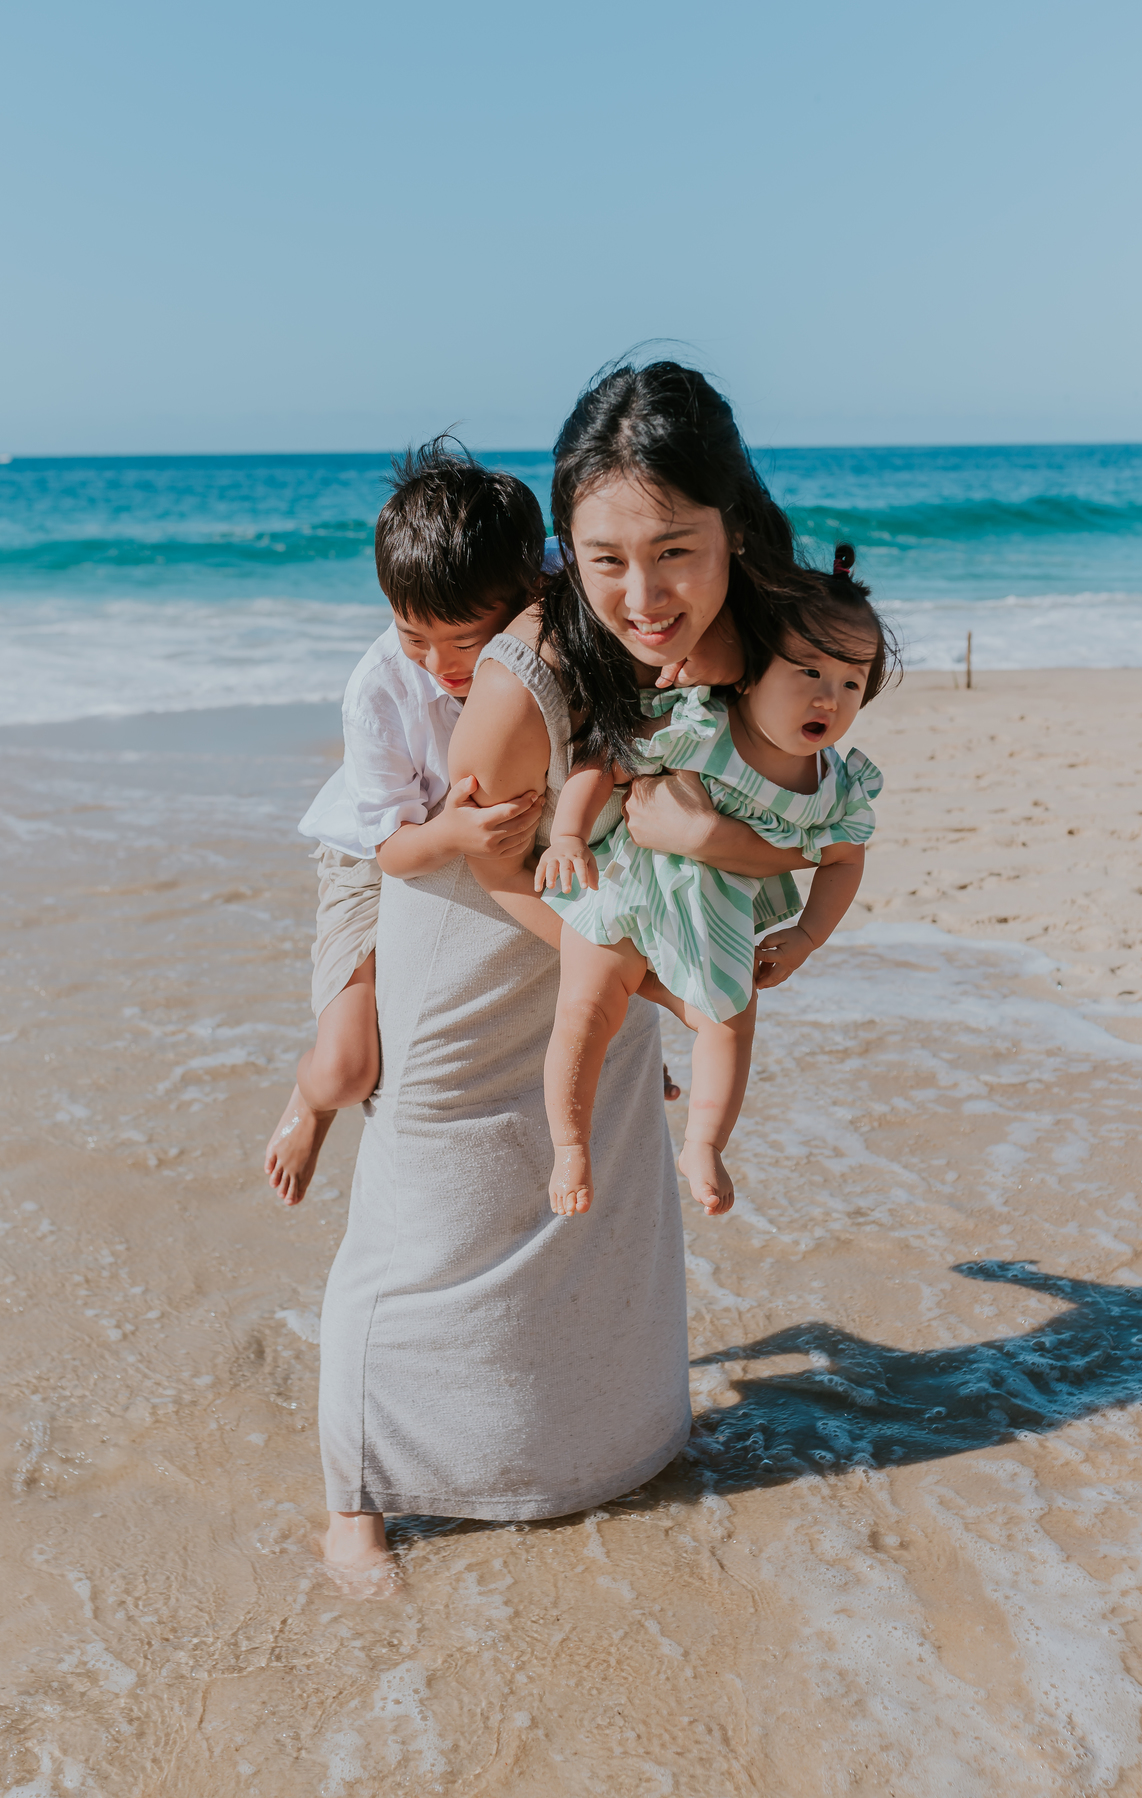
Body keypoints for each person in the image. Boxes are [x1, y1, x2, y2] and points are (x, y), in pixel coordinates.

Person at [315, 361, 833, 1577]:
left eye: (675, 553)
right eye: (605, 559)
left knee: (600, 1197)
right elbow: (476, 863)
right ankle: (355, 1498)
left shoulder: (755, 636)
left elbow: (801, 777)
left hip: (610, 924)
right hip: (481, 938)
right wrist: (638, 965)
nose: (643, 595)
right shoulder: (520, 679)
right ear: (566, 552)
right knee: (426, 1218)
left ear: (734, 531)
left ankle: (607, 1445)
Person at [535, 545, 888, 1220]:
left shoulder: (834, 785)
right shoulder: (704, 724)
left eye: (850, 681)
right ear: (752, 670)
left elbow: (846, 860)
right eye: (808, 670)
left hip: (714, 919)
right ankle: (570, 1144)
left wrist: (808, 935)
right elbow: (605, 761)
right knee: (586, 1010)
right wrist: (570, 835)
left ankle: (703, 1142)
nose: (828, 696)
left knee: (731, 1024)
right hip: (627, 881)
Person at [263, 440, 550, 1206]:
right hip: (376, 846)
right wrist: (451, 836)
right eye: (413, 634)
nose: (440, 663)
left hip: (469, 825)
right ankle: (309, 1102)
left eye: (464, 639)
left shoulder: (551, 587)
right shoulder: (380, 689)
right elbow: (392, 850)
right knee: (350, 1068)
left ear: (525, 591)